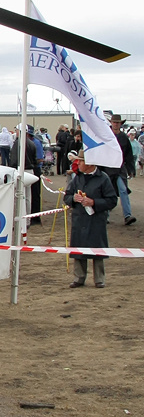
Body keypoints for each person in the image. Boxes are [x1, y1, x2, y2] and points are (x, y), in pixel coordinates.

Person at [64, 150, 117, 288]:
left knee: (97, 248)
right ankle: (79, 277)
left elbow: (112, 201)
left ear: (89, 163)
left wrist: (94, 202)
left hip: (96, 220)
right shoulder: (78, 178)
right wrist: (73, 199)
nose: (78, 163)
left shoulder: (103, 178)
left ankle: (99, 279)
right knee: (78, 248)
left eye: (80, 161)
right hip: (79, 219)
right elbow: (67, 196)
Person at [107, 114, 136, 226]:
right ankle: (105, 216)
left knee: (123, 190)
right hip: (107, 168)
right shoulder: (106, 136)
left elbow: (129, 155)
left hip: (120, 168)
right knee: (108, 192)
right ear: (111, 123)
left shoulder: (124, 137)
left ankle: (127, 216)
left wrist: (131, 169)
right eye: (114, 122)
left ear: (120, 124)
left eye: (118, 122)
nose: (116, 124)